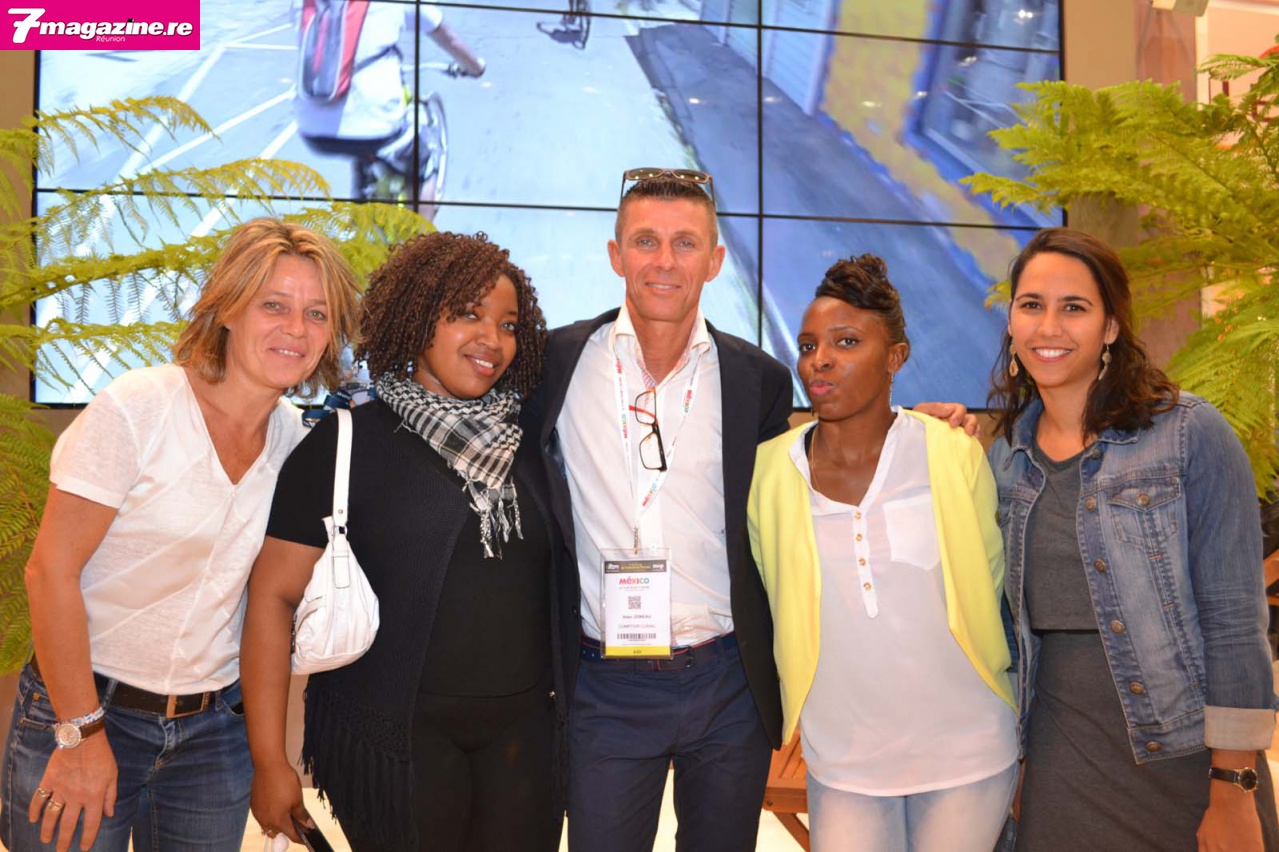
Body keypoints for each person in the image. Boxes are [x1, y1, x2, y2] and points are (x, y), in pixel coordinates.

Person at [525, 168, 975, 851]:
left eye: (684, 243)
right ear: (616, 254)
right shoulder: (556, 364)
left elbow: (808, 463)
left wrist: (916, 427)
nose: (664, 260)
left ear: (714, 260)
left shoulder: (755, 377)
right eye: (645, 241)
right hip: (606, 684)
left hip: (727, 682)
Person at [0, 218, 360, 852]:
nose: (296, 329)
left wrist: (271, 758)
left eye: (317, 314)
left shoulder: (298, 448)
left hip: (213, 737)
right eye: (273, 306)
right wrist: (81, 734)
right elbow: (49, 571)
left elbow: (271, 607)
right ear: (227, 309)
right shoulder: (138, 408)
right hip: (85, 709)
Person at [242, 231, 563, 852]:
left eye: (508, 324)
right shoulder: (344, 441)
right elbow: (272, 600)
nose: (492, 339)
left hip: (525, 741)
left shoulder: (530, 444)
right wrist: (269, 759)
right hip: (392, 742)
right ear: (418, 321)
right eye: (467, 314)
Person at [987, 227, 1279, 851]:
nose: (1049, 327)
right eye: (1032, 305)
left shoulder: (1189, 435)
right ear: (1011, 322)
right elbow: (1004, 629)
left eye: (1074, 307)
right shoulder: (1005, 458)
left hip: (1183, 761)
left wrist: (1233, 787)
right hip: (1058, 761)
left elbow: (1234, 621)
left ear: (1111, 327)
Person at [746, 254, 1019, 852]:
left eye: (846, 341)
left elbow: (996, 582)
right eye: (809, 345)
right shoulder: (768, 473)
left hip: (968, 752)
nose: (820, 359)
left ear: (895, 357)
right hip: (842, 761)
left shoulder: (953, 453)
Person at [293, 1, 484, 211]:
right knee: (423, 166)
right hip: (376, 125)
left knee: (359, 146)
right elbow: (448, 37)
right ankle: (421, 232)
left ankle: (360, 215)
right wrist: (476, 67)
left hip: (310, 129)